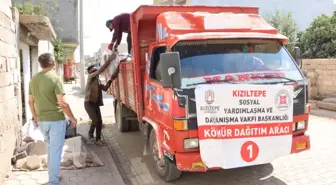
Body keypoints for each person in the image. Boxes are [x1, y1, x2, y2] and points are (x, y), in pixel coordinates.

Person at [28, 53, 77, 185]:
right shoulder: (55, 79)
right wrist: (72, 118)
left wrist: (36, 117)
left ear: (40, 65)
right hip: (56, 121)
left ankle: (54, 176)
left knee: (51, 149)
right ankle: (53, 181)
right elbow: (63, 104)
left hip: (42, 121)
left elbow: (30, 102)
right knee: (55, 151)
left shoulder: (34, 80)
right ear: (54, 64)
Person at [84, 53, 120, 145]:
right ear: (90, 72)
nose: (95, 71)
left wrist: (111, 79)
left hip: (95, 104)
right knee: (97, 121)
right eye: (93, 70)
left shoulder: (97, 81)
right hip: (89, 103)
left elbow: (105, 88)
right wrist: (109, 60)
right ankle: (95, 137)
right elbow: (100, 70)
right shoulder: (90, 77)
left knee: (97, 121)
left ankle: (94, 137)